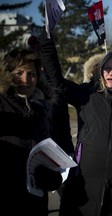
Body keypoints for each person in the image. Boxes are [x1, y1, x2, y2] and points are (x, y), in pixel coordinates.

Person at [39, 32, 112, 216]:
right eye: (106, 68)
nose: (110, 73)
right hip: (84, 184)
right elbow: (58, 82)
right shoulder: (87, 95)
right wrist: (47, 49)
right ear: (100, 71)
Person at [0, 47, 63, 215]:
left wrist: (51, 176)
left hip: (36, 202)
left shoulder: (41, 108)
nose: (25, 80)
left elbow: (46, 151)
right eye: (19, 73)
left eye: (31, 74)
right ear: (7, 74)